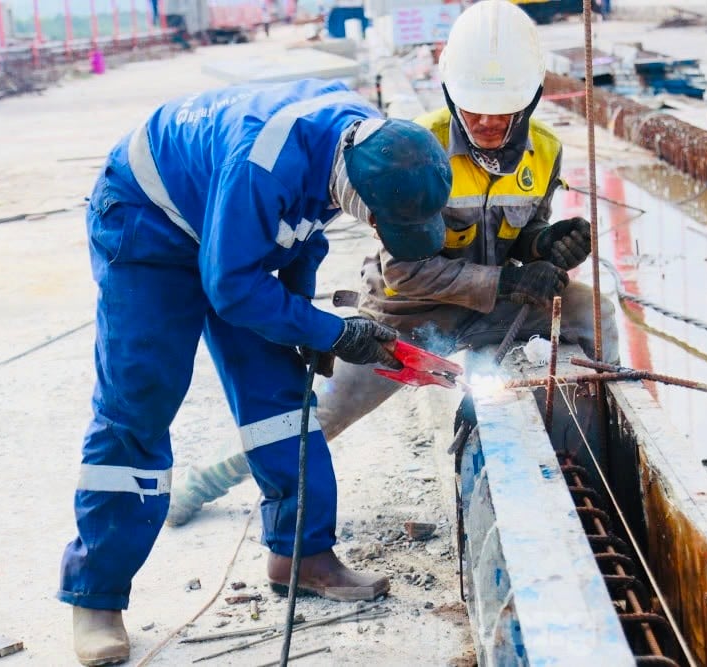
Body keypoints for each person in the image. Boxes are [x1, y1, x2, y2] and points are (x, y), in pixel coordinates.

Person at [164, 0, 619, 527]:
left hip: (497, 302)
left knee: (594, 314)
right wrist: (512, 279)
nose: (490, 122)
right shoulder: (412, 150)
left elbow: (525, 232)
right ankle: (207, 480)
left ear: (532, 99)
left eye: (505, 110)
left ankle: (600, 448)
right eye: (474, 108)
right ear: (450, 92)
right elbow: (406, 272)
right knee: (325, 415)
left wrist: (546, 246)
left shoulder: (545, 150)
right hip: (411, 313)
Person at [58, 78, 452, 666]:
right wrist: (332, 330)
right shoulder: (262, 162)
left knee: (279, 395)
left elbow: (301, 237)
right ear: (352, 189)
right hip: (149, 220)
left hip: (229, 223)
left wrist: (302, 325)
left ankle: (301, 555)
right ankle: (96, 594)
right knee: (140, 400)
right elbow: (232, 289)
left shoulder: (375, 146)